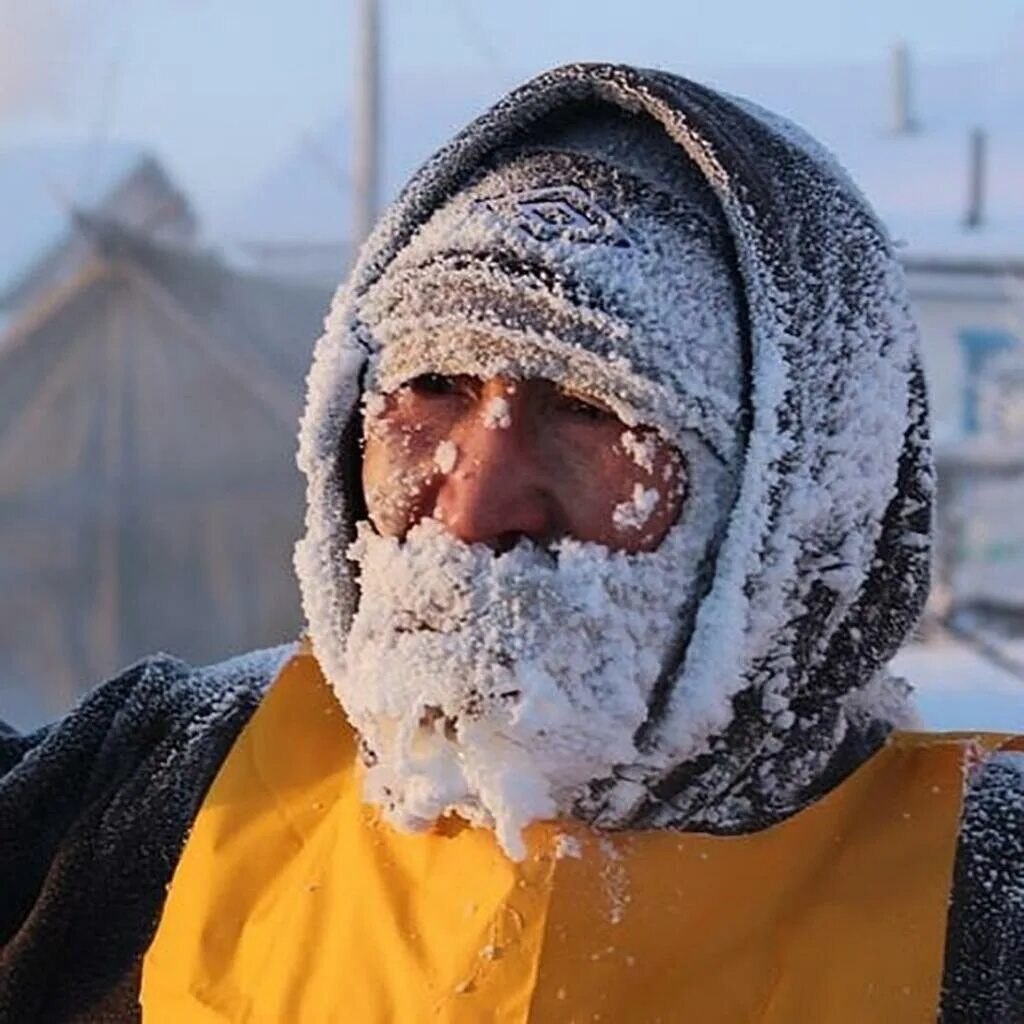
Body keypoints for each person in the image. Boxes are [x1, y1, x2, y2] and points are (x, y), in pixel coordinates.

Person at [1, 62, 1021, 1023]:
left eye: (590, 406)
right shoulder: (180, 780)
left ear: (797, 494)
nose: (478, 502)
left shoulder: (984, 898)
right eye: (432, 386)